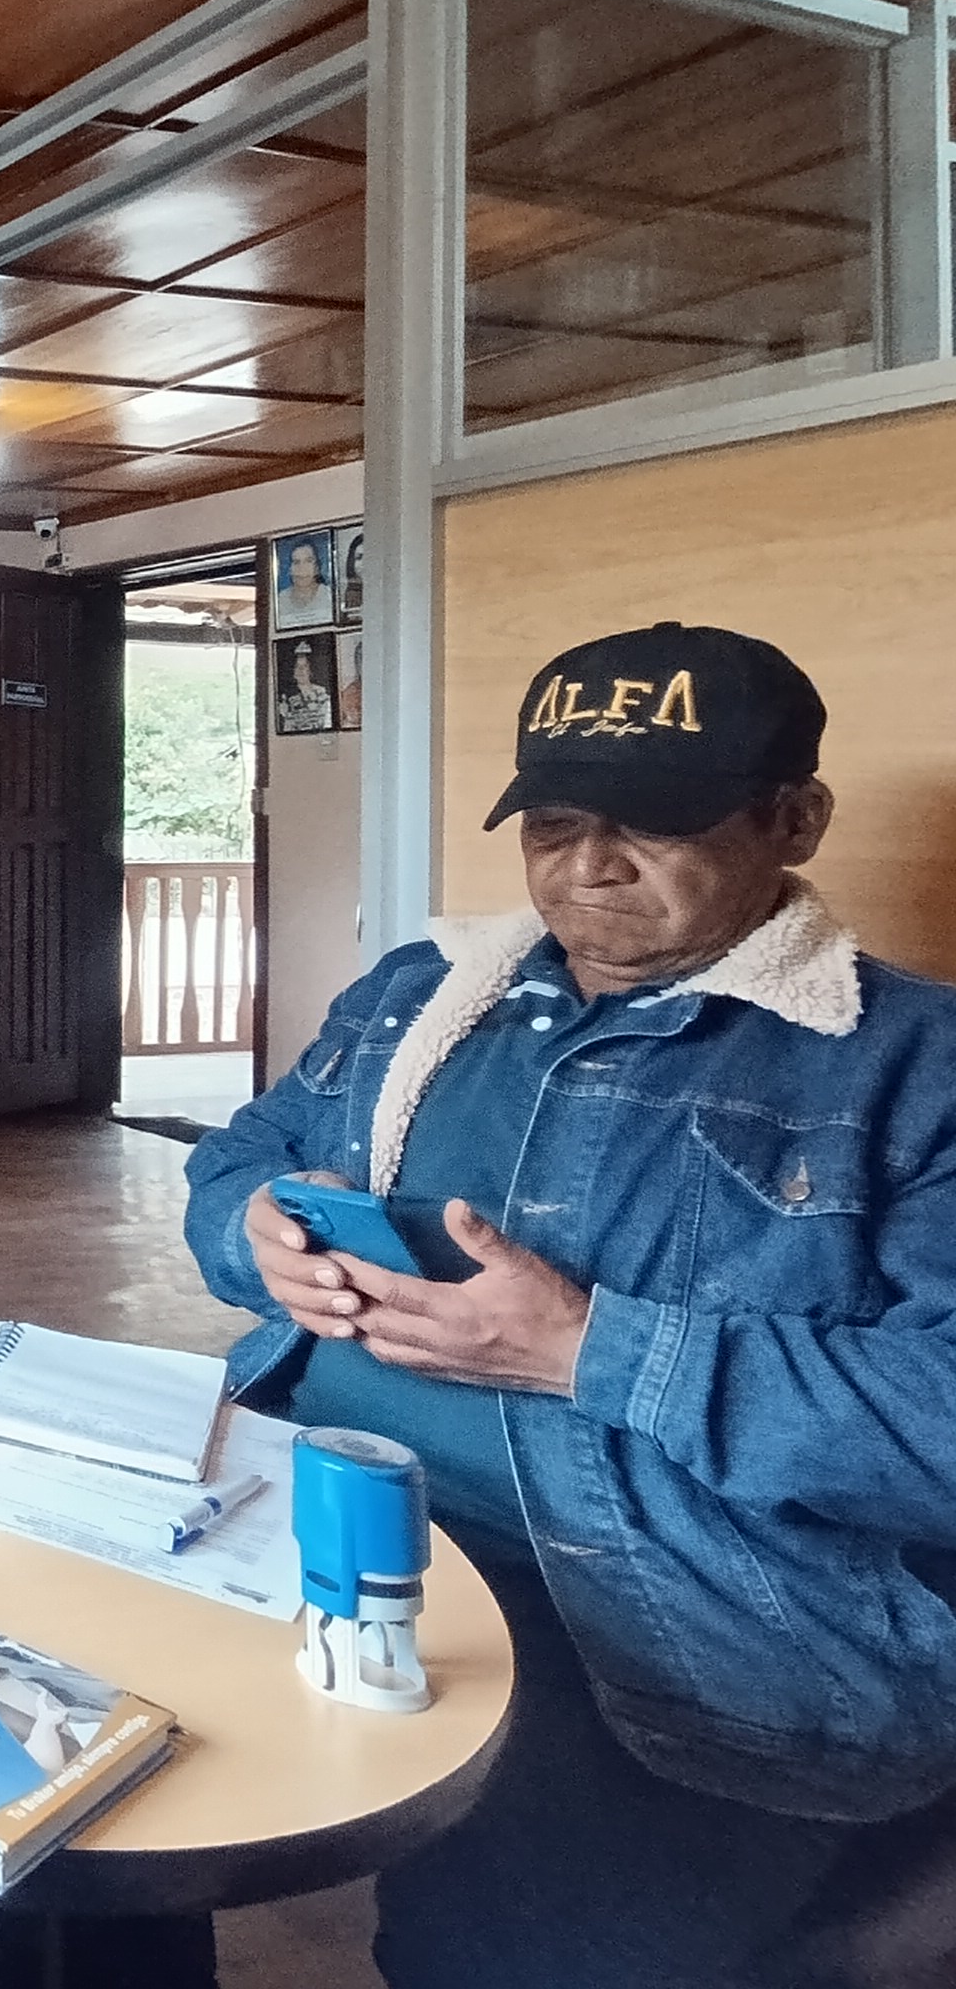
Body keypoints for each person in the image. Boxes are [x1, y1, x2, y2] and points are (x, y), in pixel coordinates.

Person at [182, 624, 956, 1989]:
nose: (587, 868)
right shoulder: (419, 994)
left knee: (500, 1957)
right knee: (68, 1767)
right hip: (304, 1507)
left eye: (653, 826)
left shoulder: (908, 1066)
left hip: (654, 1604)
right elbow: (244, 1156)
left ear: (795, 820)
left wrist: (590, 1351)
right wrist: (255, 1234)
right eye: (552, 824)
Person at [274, 634, 334, 734]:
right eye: (297, 667)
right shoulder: (287, 699)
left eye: (304, 666)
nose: (300, 670)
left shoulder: (323, 695)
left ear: (310, 670)